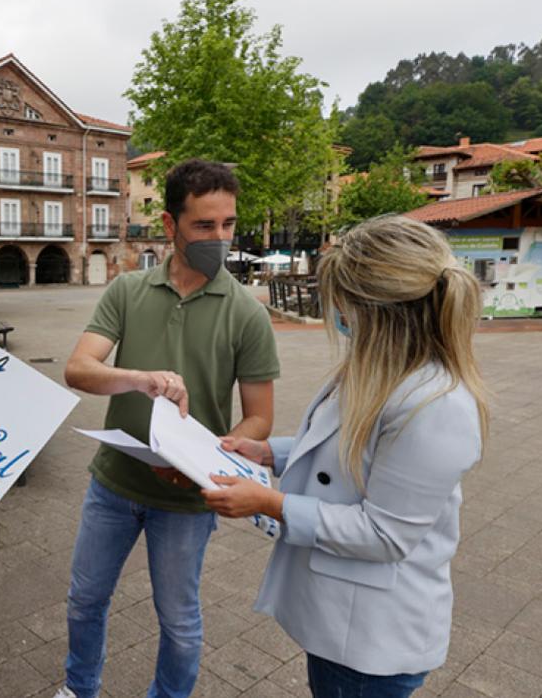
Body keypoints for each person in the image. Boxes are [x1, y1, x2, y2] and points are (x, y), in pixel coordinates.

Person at [200, 215, 489, 698]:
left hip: (371, 639)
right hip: (342, 617)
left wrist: (270, 504)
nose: (334, 312)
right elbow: (348, 448)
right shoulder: (381, 368)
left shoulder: (435, 405)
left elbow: (385, 534)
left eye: (340, 301)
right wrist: (270, 451)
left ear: (373, 309)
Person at [55, 160, 280, 698]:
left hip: (186, 500)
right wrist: (137, 378)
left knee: (179, 623)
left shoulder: (247, 314)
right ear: (170, 222)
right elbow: (78, 369)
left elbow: (260, 418)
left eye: (229, 224)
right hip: (113, 483)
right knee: (85, 600)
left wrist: (205, 461)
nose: (220, 238)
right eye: (205, 226)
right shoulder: (128, 291)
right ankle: (78, 689)